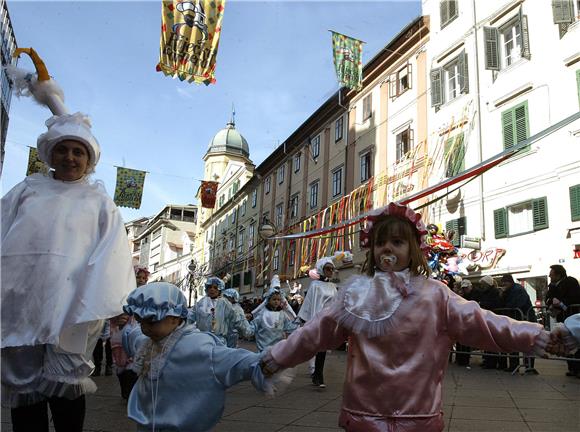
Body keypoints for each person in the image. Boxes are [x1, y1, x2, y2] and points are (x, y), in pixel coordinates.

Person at [260, 202, 552, 432]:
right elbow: (315, 332)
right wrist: (277, 358)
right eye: (380, 243)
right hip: (364, 416)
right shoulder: (355, 294)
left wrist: (534, 335)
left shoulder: (436, 295)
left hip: (417, 416)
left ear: (414, 250)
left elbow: (483, 323)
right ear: (372, 250)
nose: (387, 248)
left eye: (397, 242)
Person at [0, 111, 135, 431]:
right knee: (25, 386)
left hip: (73, 304)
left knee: (67, 385)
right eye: (63, 149)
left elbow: (112, 253)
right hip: (23, 302)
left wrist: (103, 299)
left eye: (78, 151)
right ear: (50, 152)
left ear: (89, 158)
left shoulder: (100, 202)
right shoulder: (26, 190)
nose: (70, 157)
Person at [123, 282, 287, 431]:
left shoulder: (201, 345)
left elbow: (235, 351)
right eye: (139, 320)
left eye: (151, 321)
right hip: (146, 423)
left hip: (211, 344)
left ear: (174, 317)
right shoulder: (146, 342)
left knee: (208, 368)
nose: (144, 327)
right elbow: (134, 337)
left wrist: (267, 357)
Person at [298, 257, 339, 388]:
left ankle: (318, 375)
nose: (330, 271)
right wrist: (303, 318)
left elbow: (336, 303)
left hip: (328, 320)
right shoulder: (315, 285)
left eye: (332, 269)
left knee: (322, 348)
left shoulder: (333, 286)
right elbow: (309, 302)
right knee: (316, 347)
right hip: (317, 319)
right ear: (322, 269)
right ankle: (315, 372)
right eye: (328, 268)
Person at [189, 276, 253, 345]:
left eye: (215, 287)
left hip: (219, 343)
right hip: (202, 342)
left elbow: (237, 319)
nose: (212, 290)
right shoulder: (201, 303)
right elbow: (190, 317)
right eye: (210, 287)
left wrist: (248, 330)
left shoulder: (225, 304)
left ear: (220, 289)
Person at [499, 274, 538, 374]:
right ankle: (515, 365)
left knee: (526, 343)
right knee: (513, 343)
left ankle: (528, 366)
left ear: (510, 282)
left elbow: (516, 304)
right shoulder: (509, 291)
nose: (503, 285)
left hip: (524, 319)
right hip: (517, 319)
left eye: (505, 283)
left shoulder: (518, 290)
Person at [545, 264, 580, 377]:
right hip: (562, 317)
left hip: (572, 316)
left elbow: (573, 298)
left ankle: (578, 368)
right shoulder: (552, 286)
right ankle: (572, 367)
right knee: (566, 342)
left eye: (552, 275)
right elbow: (548, 299)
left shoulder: (570, 282)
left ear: (558, 274)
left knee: (575, 341)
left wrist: (561, 304)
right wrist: (551, 303)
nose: (550, 277)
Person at [250, 276, 298, 352]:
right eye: (274, 299)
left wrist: (297, 322)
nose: (276, 302)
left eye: (278, 300)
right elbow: (253, 327)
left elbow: (289, 326)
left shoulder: (282, 314)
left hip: (277, 350)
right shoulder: (262, 314)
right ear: (269, 300)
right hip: (263, 349)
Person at [476, 275, 504, 369]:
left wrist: (482, 304)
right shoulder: (485, 292)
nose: (482, 286)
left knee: (492, 341)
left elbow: (495, 303)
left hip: (492, 318)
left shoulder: (494, 292)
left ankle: (492, 362)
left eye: (483, 284)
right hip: (487, 318)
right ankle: (487, 360)